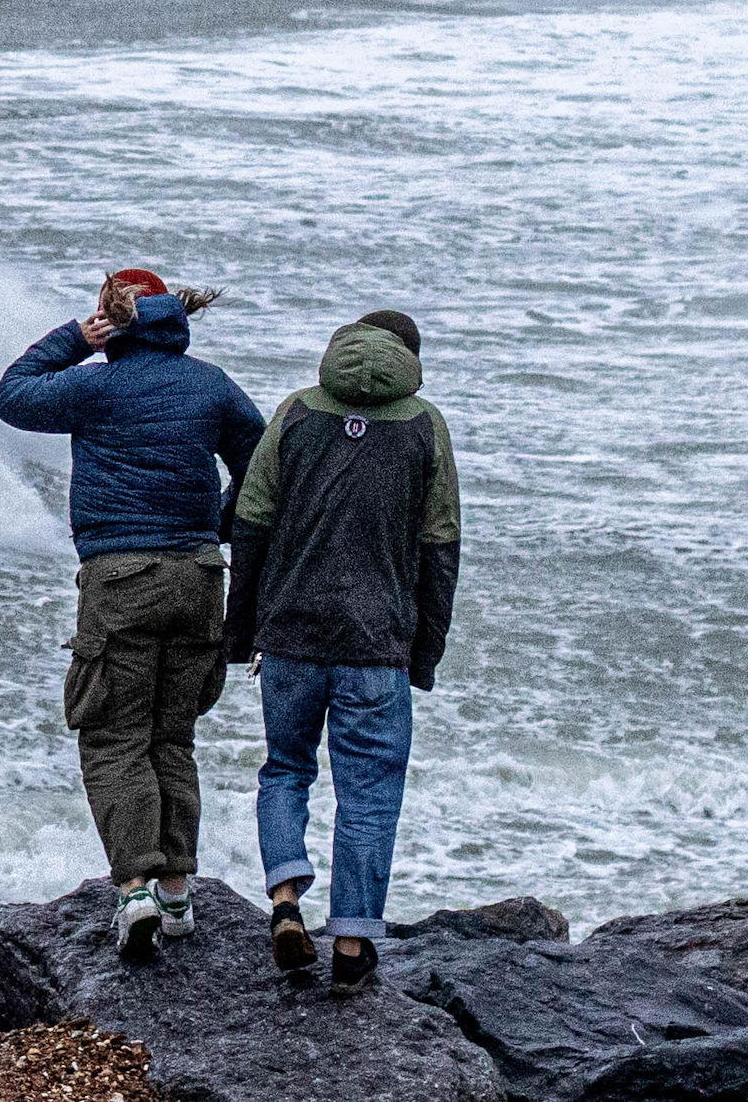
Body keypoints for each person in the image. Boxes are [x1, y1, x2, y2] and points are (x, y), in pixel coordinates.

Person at [0, 264, 266, 962]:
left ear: (112, 318)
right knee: (171, 737)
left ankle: (136, 887)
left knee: (114, 737)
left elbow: (12, 397)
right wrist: (222, 522)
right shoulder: (211, 384)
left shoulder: (96, 383)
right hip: (201, 576)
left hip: (121, 577)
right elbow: (261, 465)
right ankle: (177, 894)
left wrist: (75, 339)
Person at [222, 309, 460, 998]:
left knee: (285, 770)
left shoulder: (296, 412)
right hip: (375, 645)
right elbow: (439, 549)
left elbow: (251, 523)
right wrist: (425, 655)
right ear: (408, 359)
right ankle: (352, 942)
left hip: (290, 635)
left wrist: (243, 633)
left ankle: (286, 903)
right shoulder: (424, 426)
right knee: (368, 794)